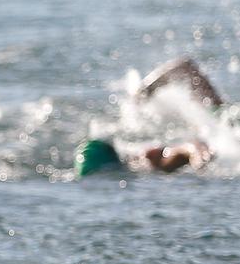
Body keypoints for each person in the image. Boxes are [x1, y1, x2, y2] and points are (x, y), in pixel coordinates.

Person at [75, 56, 221, 177]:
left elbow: (185, 149)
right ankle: (145, 90)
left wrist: (197, 153)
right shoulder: (139, 160)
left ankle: (145, 90)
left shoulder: (144, 161)